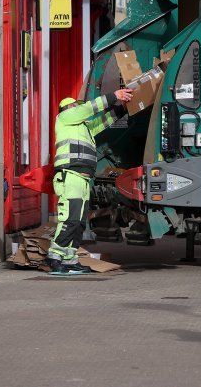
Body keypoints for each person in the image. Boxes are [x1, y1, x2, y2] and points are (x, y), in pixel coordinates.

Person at [45, 87, 132, 275]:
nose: (78, 107)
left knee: (79, 222)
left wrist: (122, 108)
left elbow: (103, 121)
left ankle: (69, 258)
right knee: (70, 219)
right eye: (75, 105)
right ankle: (54, 256)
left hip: (83, 180)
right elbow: (87, 110)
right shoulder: (64, 118)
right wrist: (113, 96)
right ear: (67, 108)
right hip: (71, 177)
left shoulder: (84, 128)